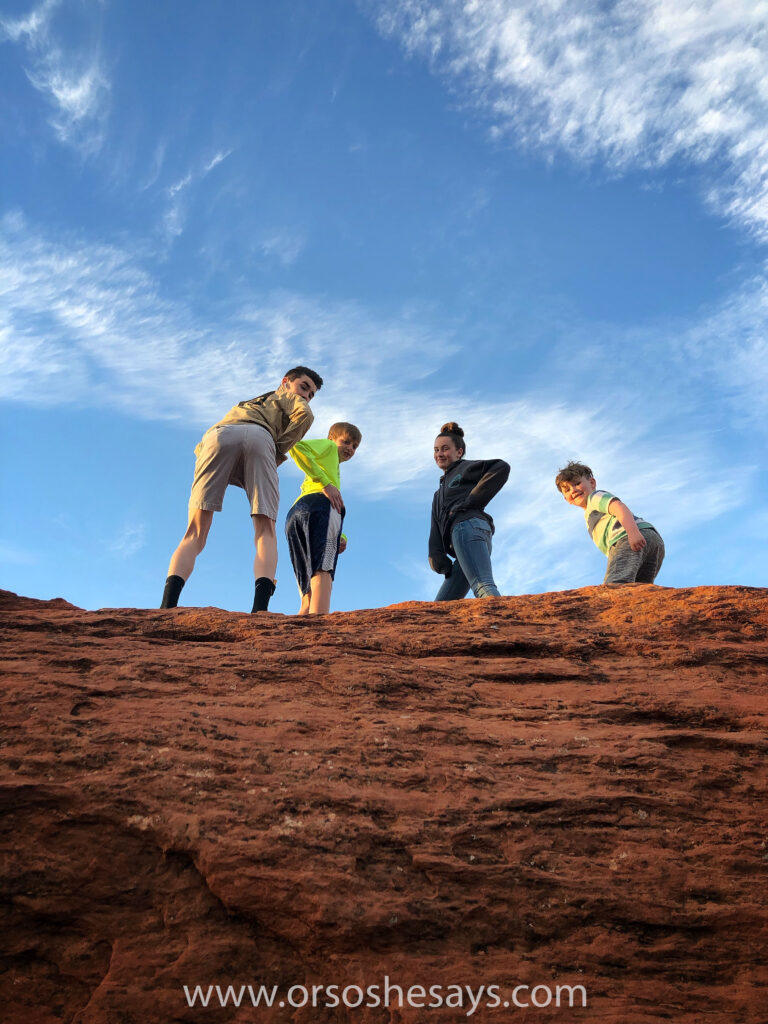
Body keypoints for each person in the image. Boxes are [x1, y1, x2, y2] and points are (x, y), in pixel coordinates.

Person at [160, 366, 323, 612]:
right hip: (261, 438)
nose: (306, 396)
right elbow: (306, 416)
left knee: (195, 531)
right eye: (304, 387)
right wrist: (278, 450)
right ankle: (259, 609)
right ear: (286, 382)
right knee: (265, 529)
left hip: (218, 437)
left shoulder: (251, 402)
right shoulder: (289, 398)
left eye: (311, 394)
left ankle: (167, 606)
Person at [285, 422, 362, 614]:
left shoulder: (328, 462)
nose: (350, 449)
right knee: (323, 568)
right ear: (331, 439)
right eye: (345, 442)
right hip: (320, 505)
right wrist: (326, 483)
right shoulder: (327, 447)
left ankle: (305, 613)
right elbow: (296, 446)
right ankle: (319, 620)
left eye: (354, 446)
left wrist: (340, 537)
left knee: (305, 569)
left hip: (296, 513)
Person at [429, 422, 509, 601]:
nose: (439, 454)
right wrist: (436, 554)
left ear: (459, 452)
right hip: (462, 543)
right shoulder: (438, 494)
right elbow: (435, 525)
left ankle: (504, 624)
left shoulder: (464, 468)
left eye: (445, 449)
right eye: (436, 450)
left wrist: (470, 502)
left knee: (482, 585)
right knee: (441, 607)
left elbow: (501, 467)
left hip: (469, 528)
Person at [555, 461, 665, 583]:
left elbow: (619, 507)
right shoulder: (589, 512)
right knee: (640, 585)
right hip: (652, 540)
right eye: (568, 489)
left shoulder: (594, 498)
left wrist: (632, 532)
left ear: (592, 483)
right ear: (566, 499)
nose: (573, 490)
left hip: (627, 537)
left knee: (616, 583)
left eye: (577, 483)